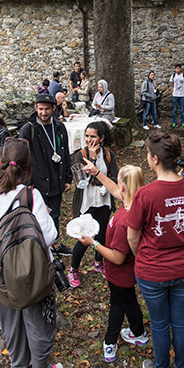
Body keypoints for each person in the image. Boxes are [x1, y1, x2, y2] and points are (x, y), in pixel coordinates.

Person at [0, 138, 64, 368]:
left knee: (10, 321)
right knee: (37, 322)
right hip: (27, 276)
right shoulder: (29, 196)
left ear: (1, 162)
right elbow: (49, 235)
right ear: (29, 167)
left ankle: (17, 365)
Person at [126, 130, 184, 368]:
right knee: (181, 320)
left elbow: (132, 236)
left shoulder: (145, 195)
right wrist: (182, 237)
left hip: (153, 271)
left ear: (154, 160)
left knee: (160, 323)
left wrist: (144, 257)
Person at [78, 165, 149, 362]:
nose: (117, 186)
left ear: (124, 187)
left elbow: (118, 257)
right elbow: (114, 190)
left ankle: (111, 340)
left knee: (119, 305)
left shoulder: (124, 221)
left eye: (119, 182)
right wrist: (97, 173)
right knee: (127, 302)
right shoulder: (135, 202)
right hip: (125, 274)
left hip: (120, 274)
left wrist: (94, 243)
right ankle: (138, 333)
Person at [19, 93, 73, 257]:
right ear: (36, 108)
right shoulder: (28, 129)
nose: (43, 113)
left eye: (47, 109)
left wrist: (67, 178)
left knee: (54, 213)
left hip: (56, 178)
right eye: (40, 109)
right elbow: (21, 158)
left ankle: (55, 244)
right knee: (37, 216)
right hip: (37, 181)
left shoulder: (59, 126)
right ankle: (39, 248)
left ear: (53, 108)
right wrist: (25, 184)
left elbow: (65, 153)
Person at [68, 121, 119, 287]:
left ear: (101, 137)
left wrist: (104, 181)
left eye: (93, 136)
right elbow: (82, 181)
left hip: (103, 201)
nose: (89, 140)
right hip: (87, 202)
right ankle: (73, 269)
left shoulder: (109, 154)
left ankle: (99, 262)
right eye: (87, 136)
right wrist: (93, 159)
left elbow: (115, 178)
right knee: (84, 237)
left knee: (102, 234)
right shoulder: (80, 155)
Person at [169, 64, 184, 129]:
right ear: (175, 69)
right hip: (175, 95)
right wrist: (172, 93)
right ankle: (174, 122)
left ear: (180, 69)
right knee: (174, 109)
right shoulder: (173, 76)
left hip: (182, 95)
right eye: (176, 68)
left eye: (178, 68)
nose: (177, 69)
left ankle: (183, 122)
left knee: (182, 110)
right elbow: (171, 85)